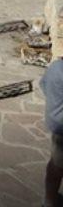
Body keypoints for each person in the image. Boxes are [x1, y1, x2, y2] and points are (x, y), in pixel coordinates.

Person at [42, 57, 63, 207]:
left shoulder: (55, 67)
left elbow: (44, 85)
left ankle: (49, 199)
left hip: (55, 124)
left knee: (55, 165)